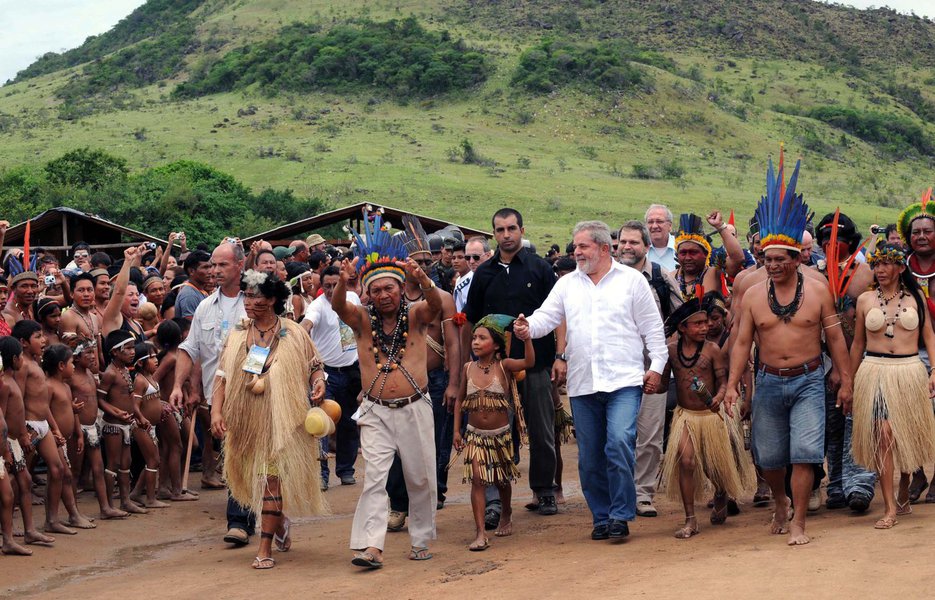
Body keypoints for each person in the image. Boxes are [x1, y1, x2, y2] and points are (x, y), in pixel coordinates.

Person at [725, 153, 852, 546]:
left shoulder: (818, 291)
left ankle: (798, 521)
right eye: (767, 259)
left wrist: (845, 379)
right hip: (768, 381)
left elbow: (835, 339)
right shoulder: (752, 294)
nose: (772, 265)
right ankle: (780, 500)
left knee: (804, 453)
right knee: (769, 457)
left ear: (797, 259)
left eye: (780, 259)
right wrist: (732, 385)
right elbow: (742, 342)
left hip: (809, 380)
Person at [514, 220, 667, 541]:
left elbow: (653, 329)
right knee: (590, 456)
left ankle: (621, 514)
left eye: (583, 246)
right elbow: (546, 317)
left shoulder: (631, 282)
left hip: (624, 381)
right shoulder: (567, 284)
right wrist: (528, 327)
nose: (576, 252)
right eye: (575, 247)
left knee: (619, 442)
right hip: (583, 384)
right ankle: (602, 517)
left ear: (604, 248)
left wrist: (656, 367)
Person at [333, 209, 441, 569]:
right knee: (375, 479)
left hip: (415, 406)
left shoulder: (416, 315)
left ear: (400, 288)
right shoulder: (362, 320)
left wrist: (423, 279)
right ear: (367, 293)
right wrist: (342, 282)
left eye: (389, 288)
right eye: (376, 290)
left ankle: (421, 538)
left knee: (420, 477)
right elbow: (339, 307)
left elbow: (436, 306)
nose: (383, 295)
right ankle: (371, 546)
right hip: (376, 410)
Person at [211, 270, 328, 569]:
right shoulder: (237, 335)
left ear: (273, 299)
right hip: (247, 421)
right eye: (247, 296)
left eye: (256, 297)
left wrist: (318, 382)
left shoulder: (295, 332)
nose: (249, 302)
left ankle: (264, 549)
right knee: (256, 480)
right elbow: (222, 377)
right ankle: (279, 520)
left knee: (271, 480)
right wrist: (216, 411)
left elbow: (314, 365)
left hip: (281, 422)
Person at [464, 208, 563, 523]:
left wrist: (560, 356)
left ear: (522, 230)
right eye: (500, 230)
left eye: (511, 228)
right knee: (492, 432)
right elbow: (471, 320)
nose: (506, 235)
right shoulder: (483, 273)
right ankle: (494, 502)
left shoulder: (540, 269)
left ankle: (544, 491)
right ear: (493, 233)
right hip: (494, 369)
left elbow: (560, 316)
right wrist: (471, 363)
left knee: (542, 430)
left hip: (537, 363)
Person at [849, 244, 935, 529]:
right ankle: (889, 507)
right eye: (877, 264)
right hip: (874, 370)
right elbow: (857, 343)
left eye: (887, 264)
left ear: (900, 267)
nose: (880, 270)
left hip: (909, 370)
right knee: (883, 435)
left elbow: (929, 335)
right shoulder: (865, 299)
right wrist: (849, 381)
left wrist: (934, 370)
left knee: (905, 435)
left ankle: (905, 483)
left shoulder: (915, 297)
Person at [169, 240, 249, 545]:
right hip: (219, 398)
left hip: (255, 392)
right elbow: (190, 349)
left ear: (240, 265)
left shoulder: (256, 300)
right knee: (235, 455)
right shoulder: (204, 306)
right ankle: (240, 520)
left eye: (222, 264)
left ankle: (259, 516)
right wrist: (178, 385)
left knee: (251, 456)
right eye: (213, 265)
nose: (215, 270)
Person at [659, 299, 752, 539]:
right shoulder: (671, 350)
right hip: (685, 416)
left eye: (706, 322)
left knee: (712, 465)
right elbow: (662, 385)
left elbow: (723, 383)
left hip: (710, 416)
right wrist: (649, 382)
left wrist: (718, 398)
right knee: (686, 461)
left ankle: (721, 490)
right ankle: (690, 519)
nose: (705, 327)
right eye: (698, 323)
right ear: (682, 327)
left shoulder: (712, 350)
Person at [617, 220, 683, 518]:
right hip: (615, 370)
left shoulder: (660, 277)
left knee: (650, 435)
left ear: (646, 246)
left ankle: (643, 494)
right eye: (623, 242)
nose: (627, 247)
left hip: (653, 369)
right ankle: (620, 492)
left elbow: (681, 317)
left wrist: (665, 355)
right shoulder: (605, 277)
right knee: (618, 435)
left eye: (633, 242)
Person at [453, 314, 534, 551]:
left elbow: (529, 362)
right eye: (474, 338)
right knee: (478, 479)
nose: (476, 342)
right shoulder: (468, 368)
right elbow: (459, 400)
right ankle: (480, 533)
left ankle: (506, 512)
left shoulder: (504, 366)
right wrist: (456, 431)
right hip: (474, 435)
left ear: (496, 345)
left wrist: (527, 338)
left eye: (482, 338)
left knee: (501, 480)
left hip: (500, 436)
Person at [10, 320, 77, 535]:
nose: (43, 340)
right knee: (19, 477)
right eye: (37, 337)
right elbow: (18, 400)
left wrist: (54, 428)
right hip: (29, 425)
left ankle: (52, 520)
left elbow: (43, 402)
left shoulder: (35, 363)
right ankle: (8, 524)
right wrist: (22, 433)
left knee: (57, 469)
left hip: (42, 425)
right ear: (23, 342)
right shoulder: (23, 366)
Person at [303, 265, 362, 488]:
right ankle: (322, 475)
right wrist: (298, 334)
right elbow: (306, 325)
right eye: (326, 286)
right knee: (322, 424)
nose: (330, 290)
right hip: (325, 374)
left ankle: (346, 470)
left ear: (343, 283)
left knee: (349, 422)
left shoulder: (353, 299)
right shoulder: (317, 306)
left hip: (352, 371)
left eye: (335, 285)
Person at [893, 188, 935, 503]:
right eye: (916, 232)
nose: (921, 236)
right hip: (909, 352)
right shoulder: (898, 268)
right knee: (910, 415)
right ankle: (917, 471)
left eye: (928, 231)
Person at [64, 333, 128, 519]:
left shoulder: (90, 375)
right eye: (88, 353)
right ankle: (74, 514)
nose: (93, 356)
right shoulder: (71, 378)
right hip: (78, 429)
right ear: (76, 357)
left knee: (98, 469)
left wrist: (116, 412)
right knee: (75, 471)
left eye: (93, 352)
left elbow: (98, 401)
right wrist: (77, 428)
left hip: (92, 428)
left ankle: (105, 508)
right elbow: (66, 404)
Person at [0, 336, 54, 546]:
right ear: (14, 359)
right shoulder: (5, 385)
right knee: (10, 488)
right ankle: (9, 534)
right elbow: (2, 419)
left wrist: (22, 434)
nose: (22, 360)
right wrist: (6, 449)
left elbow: (16, 414)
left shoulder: (11, 381)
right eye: (21, 356)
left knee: (25, 482)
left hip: (14, 441)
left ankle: (29, 530)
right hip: (7, 442)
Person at [41, 343, 96, 530]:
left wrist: (78, 433)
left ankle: (61, 517)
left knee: (59, 476)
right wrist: (55, 430)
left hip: (65, 439)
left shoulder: (65, 386)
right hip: (54, 439)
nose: (74, 366)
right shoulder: (49, 386)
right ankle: (60, 518)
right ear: (61, 366)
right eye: (72, 362)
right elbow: (45, 410)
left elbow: (72, 412)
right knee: (62, 474)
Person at [175, 250, 212, 319]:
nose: (210, 271)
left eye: (210, 267)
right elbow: (190, 324)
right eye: (205, 267)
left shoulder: (200, 291)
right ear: (191, 271)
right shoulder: (189, 295)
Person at [645, 204, 676, 271]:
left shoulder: (680, 248)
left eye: (659, 221)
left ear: (670, 226)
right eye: (650, 222)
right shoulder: (640, 249)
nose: (654, 226)